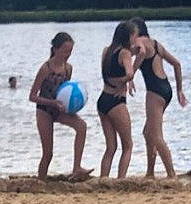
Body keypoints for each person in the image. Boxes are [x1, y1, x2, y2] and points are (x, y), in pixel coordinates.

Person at [29, 29, 90, 182]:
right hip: (44, 110)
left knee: (81, 126)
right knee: (48, 153)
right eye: (64, 51)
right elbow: (32, 97)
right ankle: (41, 182)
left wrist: (74, 105)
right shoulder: (45, 69)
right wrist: (52, 103)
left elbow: (66, 91)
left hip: (60, 109)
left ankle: (77, 167)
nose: (67, 55)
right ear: (55, 49)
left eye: (70, 51)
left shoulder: (68, 68)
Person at [133, 20, 187, 178]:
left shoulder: (139, 42)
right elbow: (177, 64)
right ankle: (150, 172)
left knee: (156, 135)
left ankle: (171, 174)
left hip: (155, 92)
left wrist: (130, 76)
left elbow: (140, 52)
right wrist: (179, 90)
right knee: (148, 132)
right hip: (166, 89)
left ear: (136, 31)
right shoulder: (156, 44)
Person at [96, 20, 142, 180]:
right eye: (135, 36)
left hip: (103, 99)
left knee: (110, 147)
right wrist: (123, 81)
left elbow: (111, 68)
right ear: (129, 36)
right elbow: (129, 73)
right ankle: (121, 179)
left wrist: (135, 52)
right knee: (128, 145)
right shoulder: (125, 53)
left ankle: (103, 178)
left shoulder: (106, 51)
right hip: (117, 102)